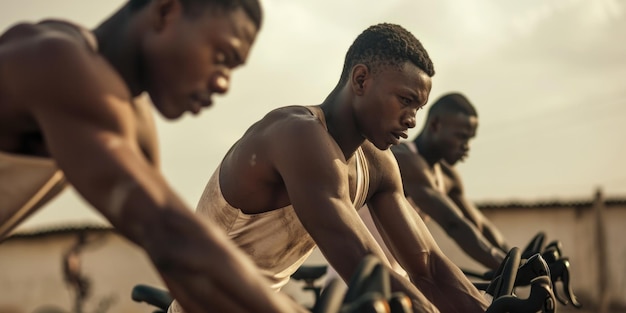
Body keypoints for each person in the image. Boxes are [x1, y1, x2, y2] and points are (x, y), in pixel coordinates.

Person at [0, 1, 307, 312]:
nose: (223, 84)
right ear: (165, 12)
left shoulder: (130, 119)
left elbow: (180, 261)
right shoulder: (54, 59)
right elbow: (167, 232)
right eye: (222, 58)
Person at [169, 23, 489, 313]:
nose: (412, 119)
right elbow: (366, 267)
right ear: (361, 79)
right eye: (404, 100)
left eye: (417, 107)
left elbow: (429, 265)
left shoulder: (378, 162)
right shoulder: (296, 134)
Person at [356, 93, 509, 277]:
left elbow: (479, 225)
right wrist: (507, 267)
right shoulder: (402, 158)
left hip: (398, 277)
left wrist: (518, 259)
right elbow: (453, 223)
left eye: (469, 139)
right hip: (357, 274)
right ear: (436, 125)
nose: (466, 146)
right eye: (461, 136)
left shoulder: (447, 175)